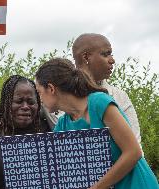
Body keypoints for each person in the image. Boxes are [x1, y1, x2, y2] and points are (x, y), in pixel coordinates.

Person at [0, 33, 142, 148]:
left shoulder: (111, 98)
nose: (112, 60)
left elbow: (135, 148)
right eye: (106, 54)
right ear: (86, 57)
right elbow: (26, 102)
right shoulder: (60, 111)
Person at [35, 58, 158, 189]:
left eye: (39, 92)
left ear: (51, 88)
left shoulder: (99, 103)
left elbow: (133, 152)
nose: (40, 99)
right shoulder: (62, 125)